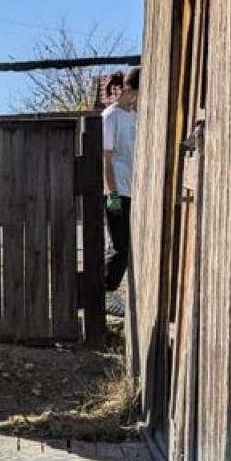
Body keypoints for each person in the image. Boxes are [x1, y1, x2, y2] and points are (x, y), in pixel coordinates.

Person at [102, 67, 140, 315]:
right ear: (132, 89)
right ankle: (105, 293)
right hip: (116, 192)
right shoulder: (111, 116)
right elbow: (105, 158)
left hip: (136, 191)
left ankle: (111, 291)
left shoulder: (135, 115)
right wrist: (112, 194)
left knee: (130, 246)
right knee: (119, 247)